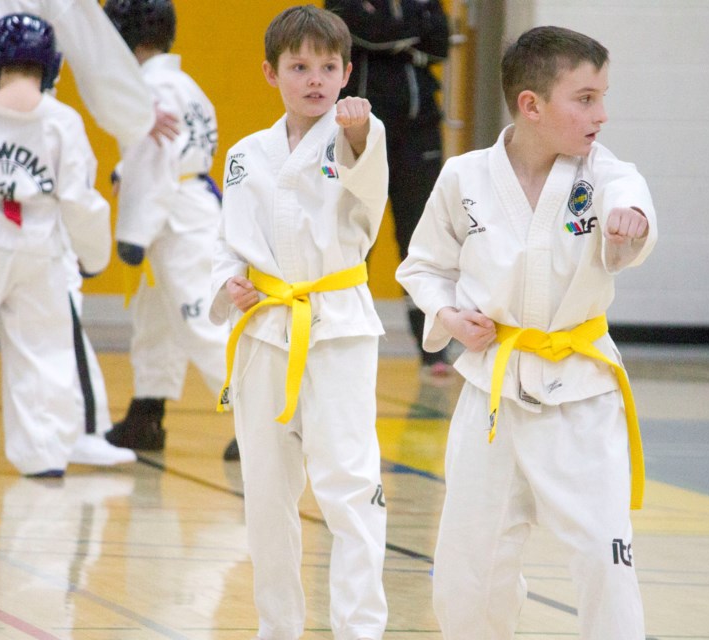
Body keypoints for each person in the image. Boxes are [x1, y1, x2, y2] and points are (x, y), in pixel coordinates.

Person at [396, 26, 658, 639]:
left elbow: (632, 201)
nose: (602, 113)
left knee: (603, 559)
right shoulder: (464, 177)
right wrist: (448, 316)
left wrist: (633, 223)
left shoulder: (605, 176)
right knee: (468, 572)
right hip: (492, 395)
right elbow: (424, 267)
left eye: (603, 96)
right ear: (531, 105)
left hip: (581, 397)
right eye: (585, 98)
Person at [0, 0, 179, 465]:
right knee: (50, 291)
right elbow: (87, 35)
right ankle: (66, 433)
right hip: (20, 115)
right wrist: (137, 112)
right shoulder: (58, 122)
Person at [209, 6, 388, 639]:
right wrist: (226, 281)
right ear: (271, 72)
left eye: (329, 66)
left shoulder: (358, 134)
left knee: (349, 485)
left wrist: (361, 135)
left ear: (346, 73)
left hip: (336, 328)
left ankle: (359, 630)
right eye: (299, 66)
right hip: (265, 329)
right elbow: (229, 241)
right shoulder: (244, 155)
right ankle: (276, 628)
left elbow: (369, 194)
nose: (316, 79)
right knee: (265, 493)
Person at [0, 13, 112, 477]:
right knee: (43, 351)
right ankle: (44, 455)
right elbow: (80, 198)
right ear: (50, 67)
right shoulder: (63, 121)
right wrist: (93, 255)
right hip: (40, 248)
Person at [101, 0, 231, 457]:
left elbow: (156, 163)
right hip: (184, 204)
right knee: (153, 318)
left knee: (203, 322)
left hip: (174, 215)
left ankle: (260, 421)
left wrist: (133, 233)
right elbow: (167, 152)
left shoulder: (147, 88)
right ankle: (146, 414)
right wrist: (124, 170)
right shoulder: (184, 84)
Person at [324, 0, 453, 378]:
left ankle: (433, 346)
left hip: (419, 130)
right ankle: (343, 335)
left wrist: (392, 38)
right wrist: (406, 39)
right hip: (362, 132)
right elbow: (356, 33)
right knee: (356, 234)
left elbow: (439, 44)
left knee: (420, 237)